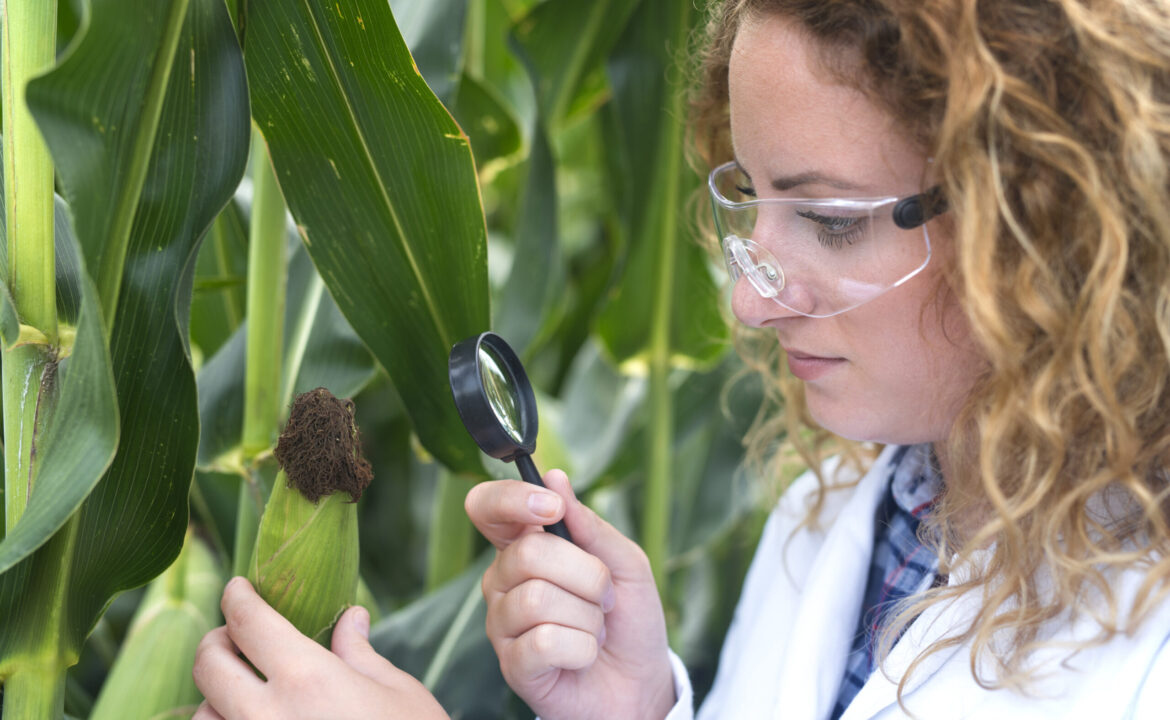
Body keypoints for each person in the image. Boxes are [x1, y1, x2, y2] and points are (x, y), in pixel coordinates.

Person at [193, 0, 1170, 717]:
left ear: (1048, 221)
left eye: (831, 222)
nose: (749, 301)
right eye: (750, 204)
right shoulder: (853, 510)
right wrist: (636, 705)